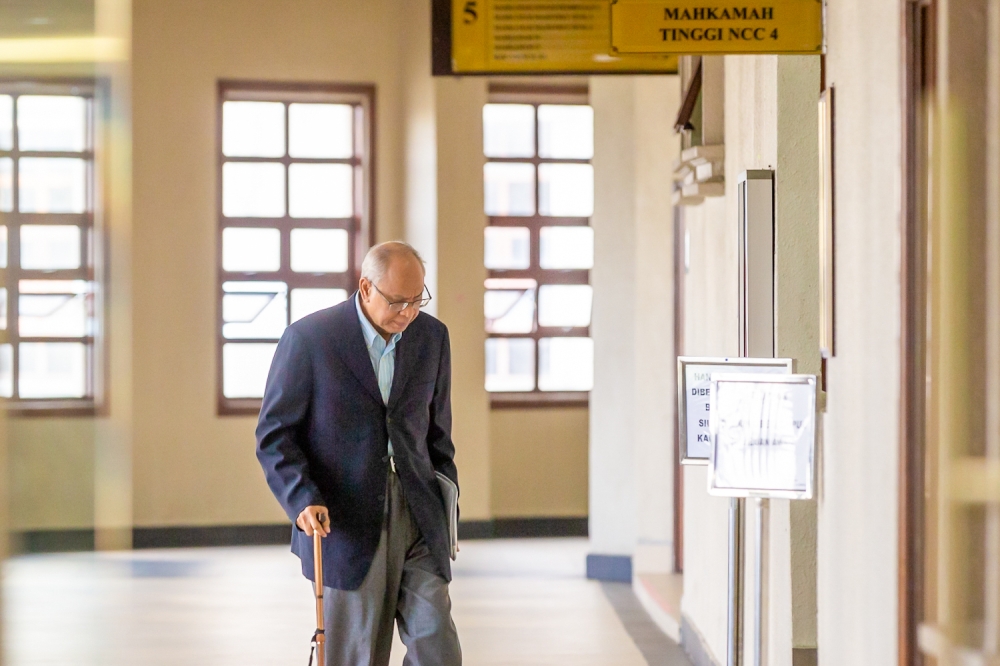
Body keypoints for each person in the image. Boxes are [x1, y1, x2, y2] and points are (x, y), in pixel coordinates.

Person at [256, 241, 462, 666]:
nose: (409, 312)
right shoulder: (310, 339)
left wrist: (447, 501)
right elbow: (275, 435)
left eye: (417, 299)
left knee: (436, 642)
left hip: (419, 513)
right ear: (366, 288)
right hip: (343, 520)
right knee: (357, 653)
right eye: (398, 301)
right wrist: (301, 499)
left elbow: (438, 435)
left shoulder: (432, 338)